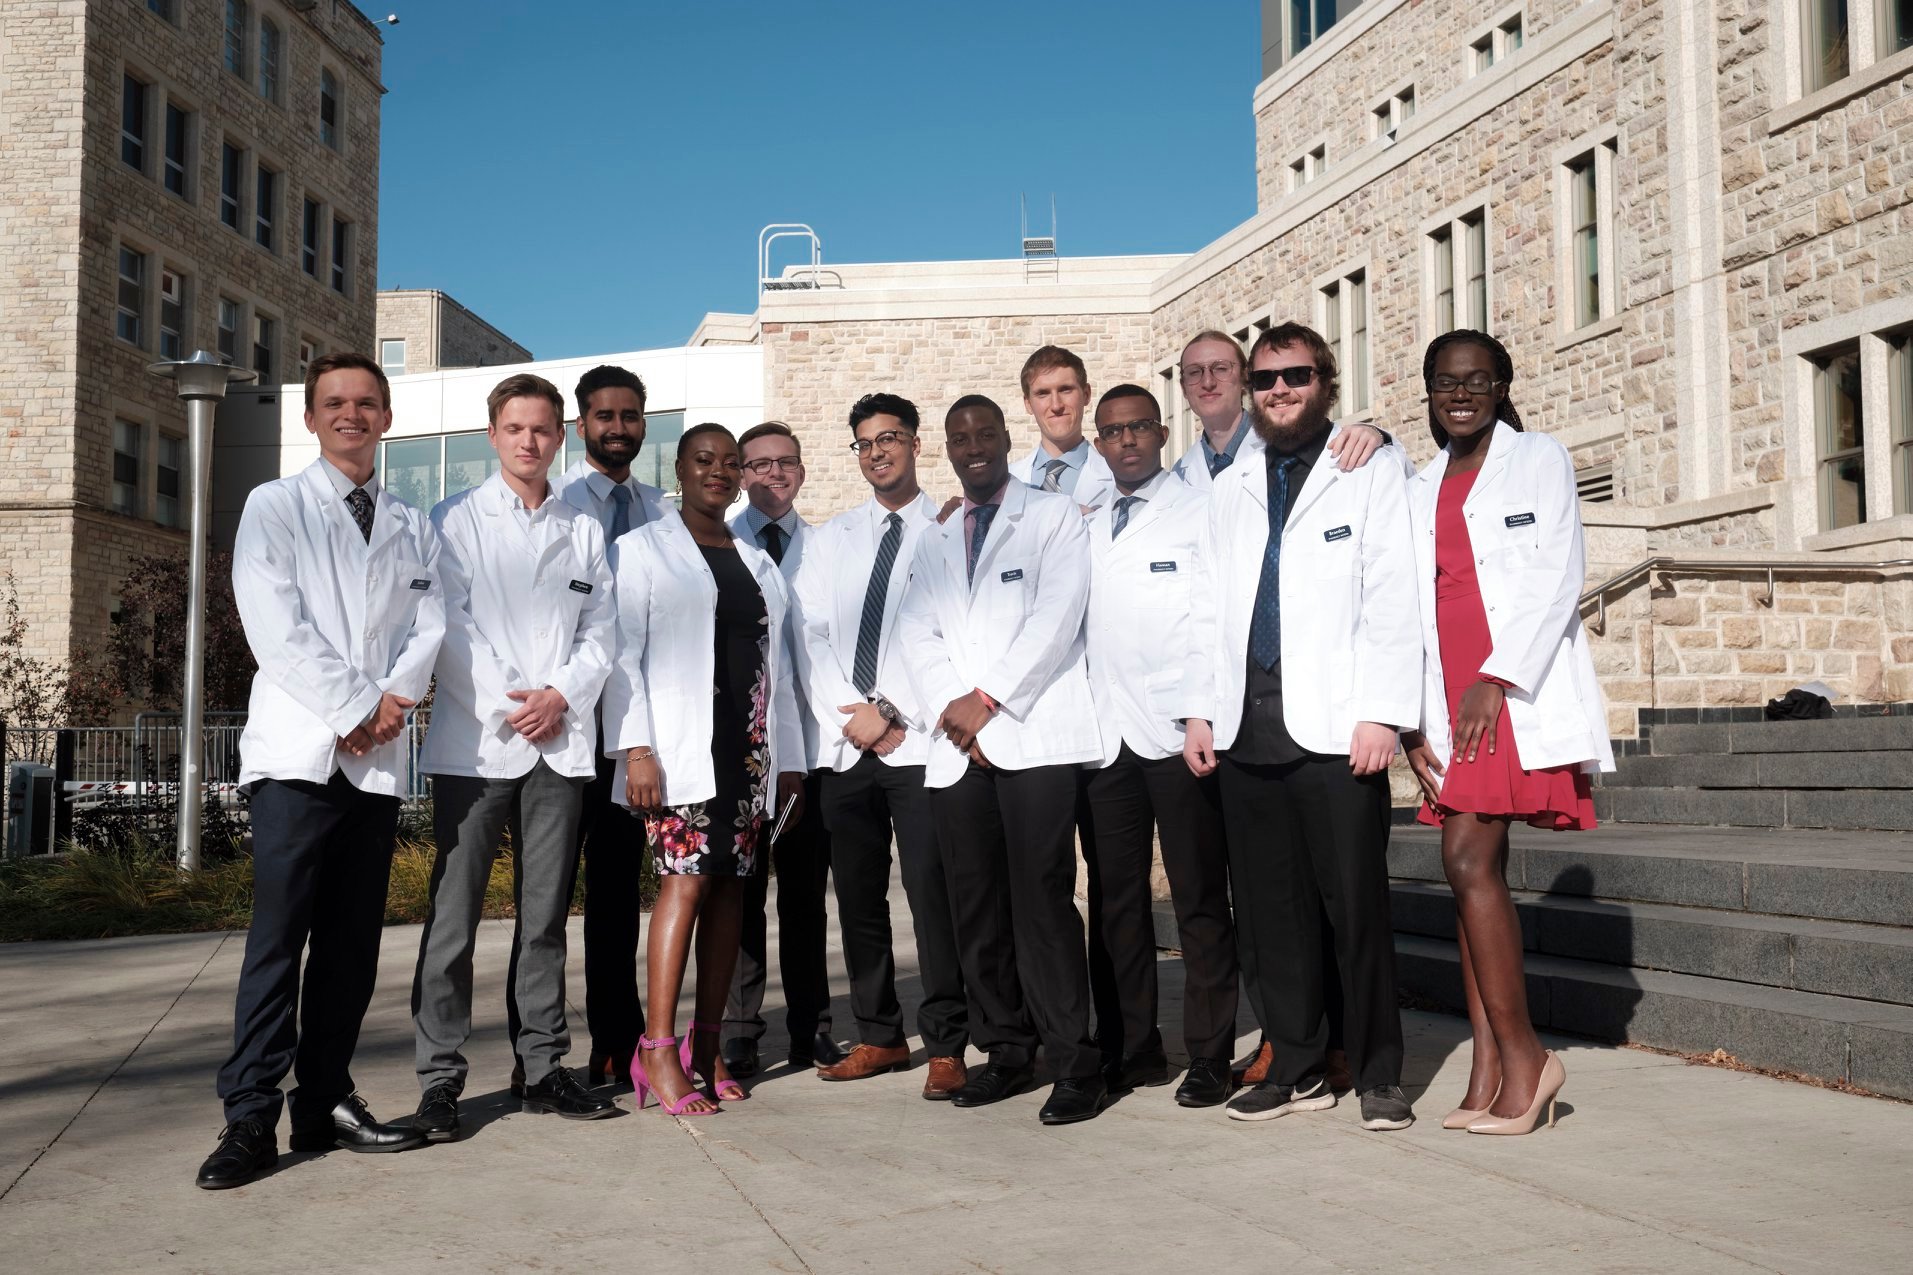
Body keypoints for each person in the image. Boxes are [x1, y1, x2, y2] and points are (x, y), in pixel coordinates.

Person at [198, 353, 444, 1190]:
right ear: (310, 418)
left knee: (350, 945)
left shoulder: (413, 524)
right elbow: (274, 622)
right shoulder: (275, 505)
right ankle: (249, 1114)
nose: (352, 414)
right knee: (278, 940)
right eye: (335, 402)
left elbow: (431, 623)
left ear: (386, 417)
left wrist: (392, 702)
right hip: (298, 758)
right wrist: (357, 706)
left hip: (373, 762)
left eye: (367, 402)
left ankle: (324, 1101)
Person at [1182, 323, 1422, 1132]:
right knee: (1268, 918)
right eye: (1264, 379)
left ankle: (1378, 1071)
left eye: (1294, 375)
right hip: (1245, 728)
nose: (1278, 390)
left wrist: (1382, 711)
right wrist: (1197, 710)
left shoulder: (1368, 467)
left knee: (1355, 912)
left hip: (1337, 730)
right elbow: (1206, 606)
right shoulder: (1230, 485)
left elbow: (1393, 593)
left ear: (1325, 381)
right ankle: (1295, 1063)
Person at [1400, 330, 1612, 1136]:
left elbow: (1558, 571)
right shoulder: (1418, 484)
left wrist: (1495, 677)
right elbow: (1406, 605)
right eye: (1445, 381)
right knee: (1470, 874)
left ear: (1501, 386)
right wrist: (1412, 719)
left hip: (1506, 690)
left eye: (1476, 380)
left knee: (1465, 859)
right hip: (1444, 696)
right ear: (1428, 391)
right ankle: (1486, 1068)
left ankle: (1526, 1058)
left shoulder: (1539, 458)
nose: (1460, 394)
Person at [408, 373, 619, 1140]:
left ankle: (542, 1065)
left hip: (556, 745)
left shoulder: (583, 528)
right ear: (492, 434)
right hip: (476, 746)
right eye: (515, 427)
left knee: (544, 921)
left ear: (560, 436)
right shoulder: (453, 520)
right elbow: (449, 628)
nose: (529, 440)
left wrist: (560, 694)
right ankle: (440, 1078)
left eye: (542, 428)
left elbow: (602, 629)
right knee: (452, 922)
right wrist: (516, 703)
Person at [895, 394, 1108, 1126]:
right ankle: (1007, 1051)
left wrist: (986, 699)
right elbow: (915, 632)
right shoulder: (935, 537)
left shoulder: (1052, 517)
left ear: (1005, 438)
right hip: (957, 746)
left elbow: (1058, 618)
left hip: (1032, 734)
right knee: (976, 907)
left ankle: (1074, 1062)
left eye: (985, 433)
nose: (974, 446)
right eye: (960, 438)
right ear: (947, 449)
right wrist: (953, 709)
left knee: (1041, 901)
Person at [603, 423, 806, 1115]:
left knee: (730, 896)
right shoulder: (642, 549)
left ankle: (708, 1043)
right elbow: (621, 655)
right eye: (703, 460)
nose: (717, 471)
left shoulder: (756, 562)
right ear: (681, 470)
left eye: (729, 462)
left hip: (747, 753)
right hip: (676, 750)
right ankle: (657, 1048)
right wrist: (636, 748)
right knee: (684, 885)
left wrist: (788, 764)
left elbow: (778, 667)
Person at [791, 393, 971, 1097]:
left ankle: (948, 1042)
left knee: (932, 895)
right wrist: (854, 716)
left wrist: (892, 709)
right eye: (864, 442)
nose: (877, 452)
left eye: (889, 437)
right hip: (849, 749)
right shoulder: (830, 539)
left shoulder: (949, 528)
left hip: (921, 744)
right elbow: (808, 635)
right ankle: (880, 1034)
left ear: (916, 444)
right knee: (859, 900)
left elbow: (949, 634)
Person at [1078, 383, 1236, 1106]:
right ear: (1098, 442)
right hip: (1105, 739)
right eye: (1113, 431)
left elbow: (1211, 619)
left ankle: (1208, 1052)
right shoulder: (1083, 518)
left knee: (1198, 896)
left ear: (1162, 431)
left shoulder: (1199, 509)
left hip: (1179, 735)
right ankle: (1131, 1044)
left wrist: (1201, 712)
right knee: (1115, 901)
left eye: (1139, 426)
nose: (1127, 440)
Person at [550, 364, 678, 1087]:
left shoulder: (662, 510)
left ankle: (616, 1039)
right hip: (565, 725)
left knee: (616, 894)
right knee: (545, 899)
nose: (618, 427)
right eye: (605, 416)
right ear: (582, 425)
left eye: (630, 416)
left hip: (638, 735)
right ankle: (536, 1051)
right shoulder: (558, 504)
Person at [722, 421, 842, 1075]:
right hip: (740, 752)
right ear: (741, 474)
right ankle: (740, 1029)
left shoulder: (827, 548)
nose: (774, 473)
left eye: (785, 462)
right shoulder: (720, 546)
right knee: (740, 895)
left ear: (801, 469)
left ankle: (811, 1027)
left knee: (804, 896)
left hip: (812, 751)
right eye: (759, 463)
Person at [1011, 344, 1116, 511]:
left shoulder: (1118, 478)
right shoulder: (1008, 481)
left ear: (1086, 394)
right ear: (1028, 404)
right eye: (1043, 393)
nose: (1056, 405)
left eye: (1065, 390)